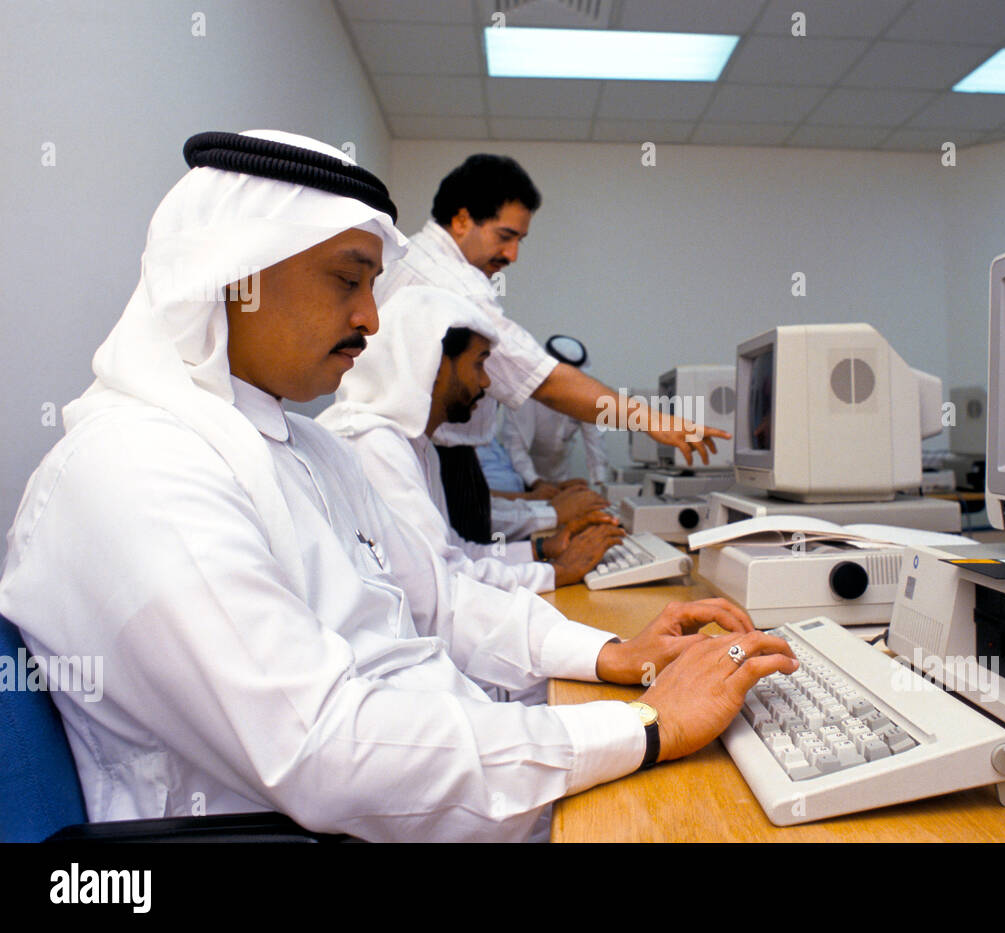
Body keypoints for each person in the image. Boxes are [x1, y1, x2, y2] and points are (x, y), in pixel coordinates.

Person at [0, 129, 795, 842]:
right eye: (347, 282)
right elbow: (325, 751)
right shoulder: (140, 469)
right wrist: (644, 727)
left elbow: (438, 600)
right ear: (235, 273)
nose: (373, 321)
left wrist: (616, 654)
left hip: (438, 776)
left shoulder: (301, 444)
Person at [372, 154, 730, 540]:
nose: (512, 255)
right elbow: (543, 381)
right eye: (505, 236)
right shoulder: (452, 283)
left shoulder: (414, 261)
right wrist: (652, 421)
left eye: (519, 241)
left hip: (433, 456)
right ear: (461, 220)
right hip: (435, 456)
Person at [318, 289, 622, 592]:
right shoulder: (375, 445)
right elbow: (440, 587)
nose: (485, 382)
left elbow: (458, 552)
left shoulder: (417, 446)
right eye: (478, 363)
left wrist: (544, 550)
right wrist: (558, 572)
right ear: (433, 363)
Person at [498, 334, 614, 491]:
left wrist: (600, 484)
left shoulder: (581, 396)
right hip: (520, 478)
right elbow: (515, 447)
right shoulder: (525, 395)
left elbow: (595, 442)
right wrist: (536, 483)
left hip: (560, 479)